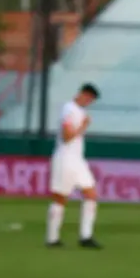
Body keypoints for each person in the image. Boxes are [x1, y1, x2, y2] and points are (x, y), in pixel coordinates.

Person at [46, 83, 102, 249]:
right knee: (60, 198)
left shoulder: (80, 111)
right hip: (65, 159)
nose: (89, 102)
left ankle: (86, 236)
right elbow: (67, 136)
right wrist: (83, 126)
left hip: (77, 160)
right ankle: (52, 238)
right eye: (89, 98)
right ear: (83, 94)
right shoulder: (69, 109)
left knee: (91, 194)